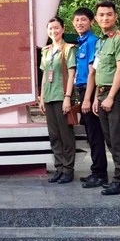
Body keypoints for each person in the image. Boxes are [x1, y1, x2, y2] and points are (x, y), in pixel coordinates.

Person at [84, 1, 120, 195]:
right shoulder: (102, 42)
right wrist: (96, 97)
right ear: (96, 19)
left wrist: (111, 96)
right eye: (101, 15)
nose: (105, 18)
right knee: (110, 139)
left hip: (116, 94)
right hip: (102, 94)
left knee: (118, 139)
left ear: (116, 16)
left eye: (109, 14)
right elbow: (97, 71)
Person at [72, 8, 108, 188]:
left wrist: (89, 99)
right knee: (91, 135)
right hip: (82, 91)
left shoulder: (93, 41)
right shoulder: (81, 42)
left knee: (95, 135)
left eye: (83, 20)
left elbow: (94, 73)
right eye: (77, 20)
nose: (79, 23)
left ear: (91, 22)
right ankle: (96, 170)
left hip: (90, 92)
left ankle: (100, 173)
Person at [40, 17, 77, 184]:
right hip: (48, 97)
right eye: (50, 29)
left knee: (65, 135)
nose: (53, 31)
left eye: (56, 28)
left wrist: (67, 97)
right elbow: (44, 75)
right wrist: (41, 97)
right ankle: (59, 167)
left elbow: (71, 74)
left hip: (61, 96)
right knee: (54, 135)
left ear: (62, 29)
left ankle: (68, 169)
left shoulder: (68, 49)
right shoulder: (46, 51)